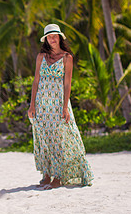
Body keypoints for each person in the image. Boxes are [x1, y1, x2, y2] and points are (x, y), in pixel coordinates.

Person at [28, 24, 93, 190]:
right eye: (49, 36)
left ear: (60, 37)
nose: (52, 38)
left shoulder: (67, 58)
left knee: (58, 138)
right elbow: (36, 81)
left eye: (55, 35)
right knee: (42, 138)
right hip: (42, 104)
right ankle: (47, 174)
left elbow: (67, 84)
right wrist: (32, 105)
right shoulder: (41, 56)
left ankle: (58, 177)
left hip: (58, 103)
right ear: (46, 40)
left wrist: (65, 107)